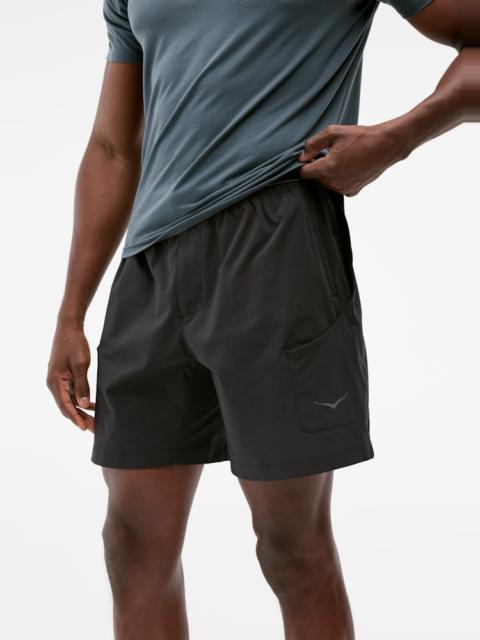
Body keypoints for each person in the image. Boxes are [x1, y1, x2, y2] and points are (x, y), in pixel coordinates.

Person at [46, 0, 478, 638]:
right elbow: (113, 147)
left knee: (290, 544)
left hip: (276, 239)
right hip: (150, 265)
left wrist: (399, 137)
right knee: (131, 542)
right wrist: (71, 311)